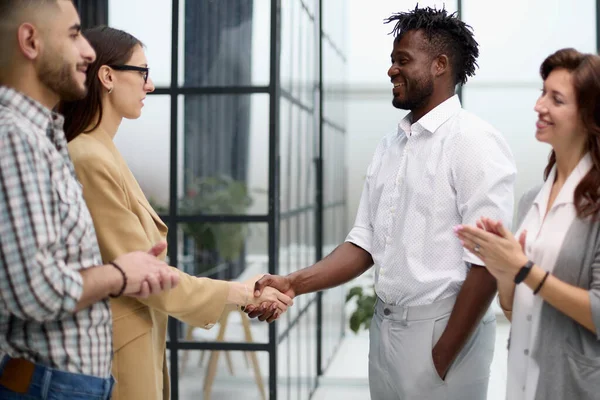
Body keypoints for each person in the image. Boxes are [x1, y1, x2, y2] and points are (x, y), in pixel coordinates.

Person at [245, 6, 517, 400]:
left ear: (440, 65)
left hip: (444, 331)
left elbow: (489, 263)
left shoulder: (474, 141)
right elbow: (364, 243)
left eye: (402, 60)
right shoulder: (392, 145)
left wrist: (441, 354)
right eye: (392, 60)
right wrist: (292, 284)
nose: (391, 70)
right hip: (386, 328)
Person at [58, 25, 293, 400]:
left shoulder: (102, 152)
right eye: (143, 73)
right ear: (107, 76)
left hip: (132, 341)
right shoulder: (88, 157)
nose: (149, 86)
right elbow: (144, 276)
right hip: (116, 353)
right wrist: (239, 292)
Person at [0, 1, 180, 399]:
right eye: (74, 34)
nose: (86, 50)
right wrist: (120, 273)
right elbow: (35, 289)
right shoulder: (16, 138)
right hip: (52, 384)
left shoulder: (45, 137)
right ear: (30, 41)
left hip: (70, 382)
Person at [455, 48, 600, 400]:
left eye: (557, 99)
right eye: (542, 93)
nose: (540, 106)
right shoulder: (532, 199)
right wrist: (504, 271)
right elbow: (513, 307)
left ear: (588, 116)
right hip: (522, 383)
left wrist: (523, 269)